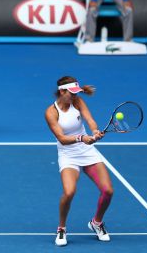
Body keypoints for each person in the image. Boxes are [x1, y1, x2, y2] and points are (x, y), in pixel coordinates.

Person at [45, 76, 114, 246]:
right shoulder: (51, 112)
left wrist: (95, 131)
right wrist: (82, 137)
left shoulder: (77, 101)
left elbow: (89, 119)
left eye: (77, 93)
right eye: (72, 93)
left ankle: (96, 223)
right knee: (69, 193)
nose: (75, 96)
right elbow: (61, 138)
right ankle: (61, 228)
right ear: (62, 91)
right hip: (68, 155)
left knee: (108, 191)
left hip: (87, 152)